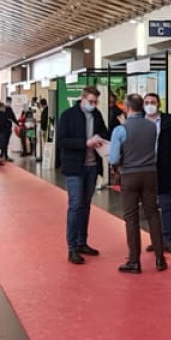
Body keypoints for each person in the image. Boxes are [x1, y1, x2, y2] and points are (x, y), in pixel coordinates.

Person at [107, 94, 167, 273]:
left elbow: (114, 157)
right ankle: (160, 258)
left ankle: (134, 261)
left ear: (127, 107)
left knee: (131, 218)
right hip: (150, 174)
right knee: (153, 214)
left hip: (130, 175)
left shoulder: (120, 130)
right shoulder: (151, 127)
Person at [57, 87, 110, 264]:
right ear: (83, 99)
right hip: (74, 167)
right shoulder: (68, 115)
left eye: (95, 102)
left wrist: (100, 139)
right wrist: (85, 143)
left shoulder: (97, 115)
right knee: (75, 205)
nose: (93, 105)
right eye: (90, 101)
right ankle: (72, 247)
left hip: (92, 166)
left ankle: (82, 242)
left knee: (86, 205)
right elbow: (62, 140)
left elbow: (105, 132)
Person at [145, 93, 171, 256]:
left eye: (152, 102)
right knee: (150, 206)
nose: (149, 105)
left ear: (158, 104)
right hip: (145, 169)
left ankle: (167, 238)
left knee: (166, 204)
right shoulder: (140, 122)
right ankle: (155, 239)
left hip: (165, 169)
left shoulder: (169, 123)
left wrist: (169, 160)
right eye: (146, 102)